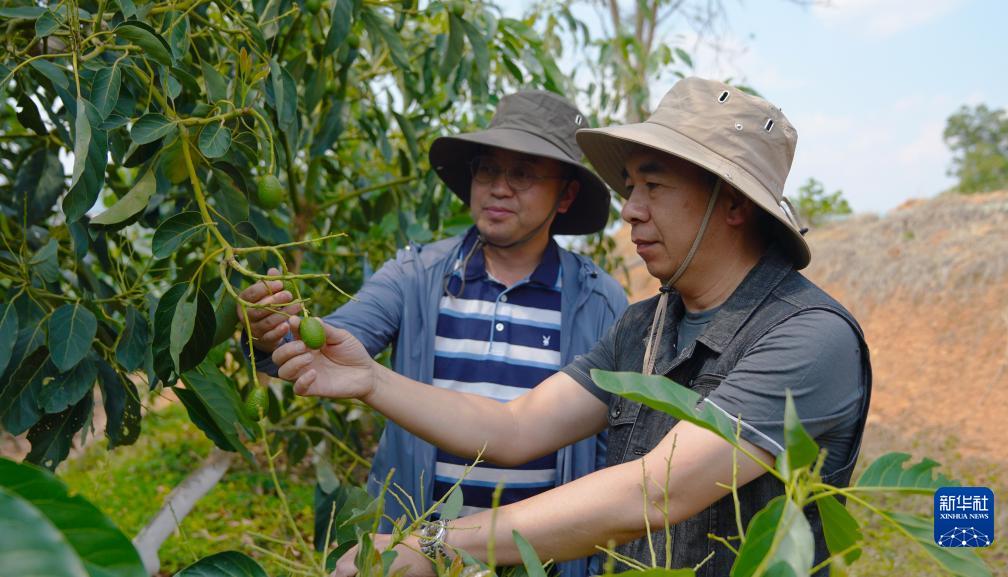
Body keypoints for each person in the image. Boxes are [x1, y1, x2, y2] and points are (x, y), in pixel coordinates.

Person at [271, 77, 872, 577]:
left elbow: (655, 492)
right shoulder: (644, 327)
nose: (632, 208)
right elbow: (515, 428)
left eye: (654, 186)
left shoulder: (807, 338)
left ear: (733, 205)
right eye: (631, 186)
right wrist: (371, 379)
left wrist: (432, 545)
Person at [237, 91, 628, 577]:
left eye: (523, 174)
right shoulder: (416, 275)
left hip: (540, 561)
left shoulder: (601, 300)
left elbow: (617, 451)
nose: (498, 189)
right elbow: (326, 346)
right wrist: (270, 331)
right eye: (487, 170)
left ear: (566, 195)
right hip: (415, 551)